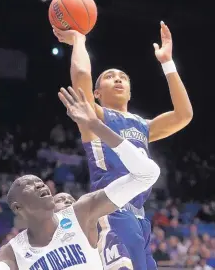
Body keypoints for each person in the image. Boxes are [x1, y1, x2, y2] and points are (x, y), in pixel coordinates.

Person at [54, 21, 193, 269]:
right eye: (109, 77)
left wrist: (167, 63)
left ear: (129, 93)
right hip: (111, 210)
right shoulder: (93, 117)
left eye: (123, 78)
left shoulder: (144, 126)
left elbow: (184, 115)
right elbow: (82, 77)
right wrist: (79, 40)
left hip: (139, 217)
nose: (117, 79)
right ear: (96, 93)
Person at [0, 87, 160, 270]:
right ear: (17, 207)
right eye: (27, 184)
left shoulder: (80, 213)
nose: (39, 184)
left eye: (39, 182)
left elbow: (147, 174)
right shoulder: (11, 253)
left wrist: (95, 125)